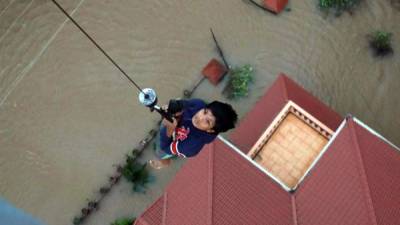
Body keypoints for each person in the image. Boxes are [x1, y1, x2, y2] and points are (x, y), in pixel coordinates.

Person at [149, 98, 238, 169]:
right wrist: (173, 106)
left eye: (207, 121)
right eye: (205, 112)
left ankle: (164, 163)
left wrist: (168, 129)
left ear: (210, 130)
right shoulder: (198, 104)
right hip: (176, 125)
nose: (199, 117)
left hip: (177, 144)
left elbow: (164, 148)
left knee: (160, 153)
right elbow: (183, 103)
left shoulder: (192, 144)